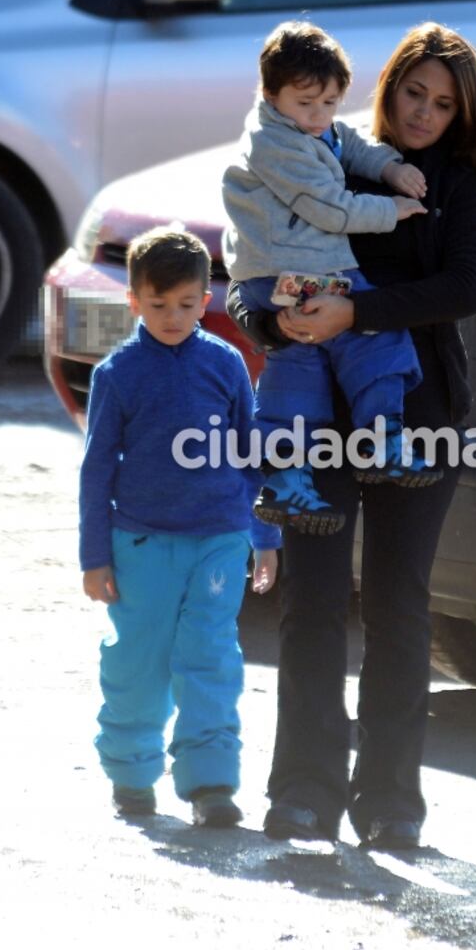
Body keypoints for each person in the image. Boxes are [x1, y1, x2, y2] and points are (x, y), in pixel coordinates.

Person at [227, 23, 476, 849]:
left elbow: (464, 288)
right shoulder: (319, 143)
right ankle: (302, 789)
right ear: (391, 84)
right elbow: (246, 269)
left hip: (421, 416)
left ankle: (391, 800)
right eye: (414, 93)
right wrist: (267, 318)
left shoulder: (461, 185)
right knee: (314, 599)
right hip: (316, 412)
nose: (425, 113)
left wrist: (355, 311)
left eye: (443, 103)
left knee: (401, 606)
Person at [79, 226, 281, 825]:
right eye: (159, 304)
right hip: (140, 542)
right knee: (138, 660)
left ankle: (210, 784)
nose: (174, 316)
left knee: (210, 656)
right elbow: (96, 470)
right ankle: (132, 773)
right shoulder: (116, 374)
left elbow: (253, 455)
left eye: (188, 304)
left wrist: (265, 536)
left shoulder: (226, 364)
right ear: (134, 299)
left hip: (219, 539)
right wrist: (96, 556)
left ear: (207, 298)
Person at [222, 20, 442, 537]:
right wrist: (391, 208)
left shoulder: (309, 128)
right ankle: (381, 440)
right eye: (306, 103)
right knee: (375, 336)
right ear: (269, 94)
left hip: (278, 273)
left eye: (330, 102)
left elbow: (353, 145)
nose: (320, 116)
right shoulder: (277, 144)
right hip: (300, 271)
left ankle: (286, 479)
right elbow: (330, 208)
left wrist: (390, 168)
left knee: (298, 372)